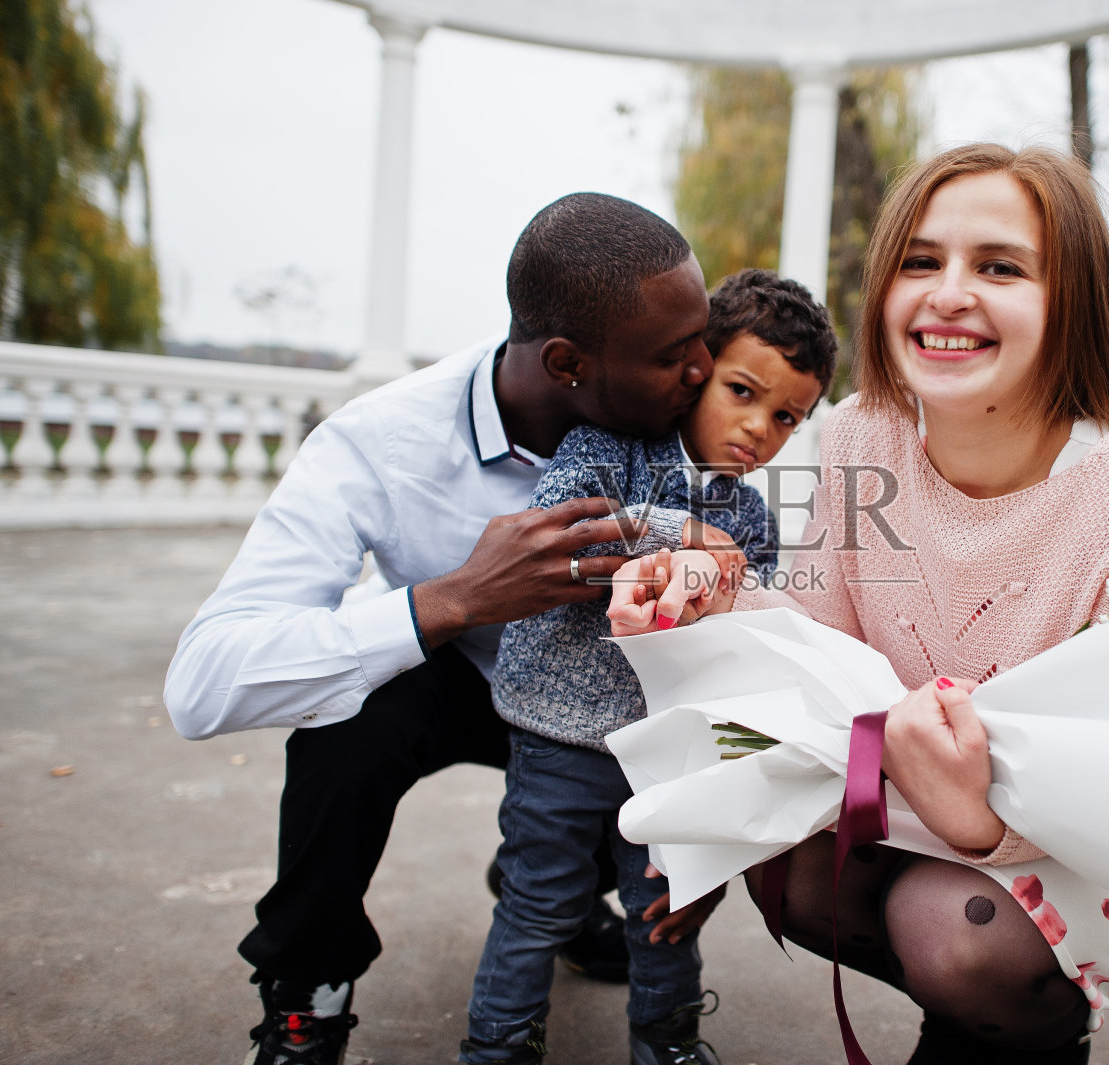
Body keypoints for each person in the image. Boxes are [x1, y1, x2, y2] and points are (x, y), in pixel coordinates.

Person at [608, 143, 1109, 1065]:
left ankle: (1031, 1026)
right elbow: (819, 642)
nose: (948, 293)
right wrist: (712, 591)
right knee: (785, 865)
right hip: (912, 801)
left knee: (955, 932)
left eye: (1000, 267)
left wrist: (981, 822)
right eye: (921, 260)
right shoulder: (862, 433)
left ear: (1075, 301)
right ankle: (978, 1022)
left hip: (1098, 850)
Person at [163, 192, 721, 1065]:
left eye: (705, 341)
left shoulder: (697, 421)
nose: (702, 372)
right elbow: (201, 685)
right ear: (568, 360)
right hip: (469, 678)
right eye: (671, 356)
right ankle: (307, 995)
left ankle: (562, 887)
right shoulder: (382, 441)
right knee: (344, 718)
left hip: (621, 707)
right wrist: (455, 599)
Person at [463, 268, 836, 1065]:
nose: (758, 428)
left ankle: (667, 1044)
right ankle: (497, 1046)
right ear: (697, 367)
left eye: (786, 417)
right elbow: (562, 535)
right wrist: (685, 535)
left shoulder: (751, 516)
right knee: (540, 904)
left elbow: (745, 657)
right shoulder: (605, 447)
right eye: (742, 391)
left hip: (667, 755)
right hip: (556, 737)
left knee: (670, 906)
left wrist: (726, 781)